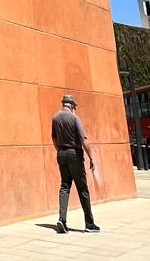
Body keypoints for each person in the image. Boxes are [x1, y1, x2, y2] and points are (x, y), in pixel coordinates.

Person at [51, 93, 99, 234]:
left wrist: (60, 150)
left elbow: (53, 138)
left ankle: (62, 220)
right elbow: (83, 140)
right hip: (74, 154)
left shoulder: (55, 118)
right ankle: (89, 224)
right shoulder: (74, 118)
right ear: (72, 106)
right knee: (82, 189)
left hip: (61, 153)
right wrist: (92, 158)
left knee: (65, 186)